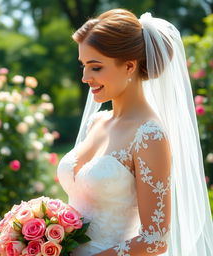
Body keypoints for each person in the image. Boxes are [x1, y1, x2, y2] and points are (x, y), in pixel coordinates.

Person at [57, 8, 213, 256]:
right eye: (83, 66)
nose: (85, 77)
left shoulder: (149, 136)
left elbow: (154, 240)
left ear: (129, 66)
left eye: (96, 67)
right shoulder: (97, 122)